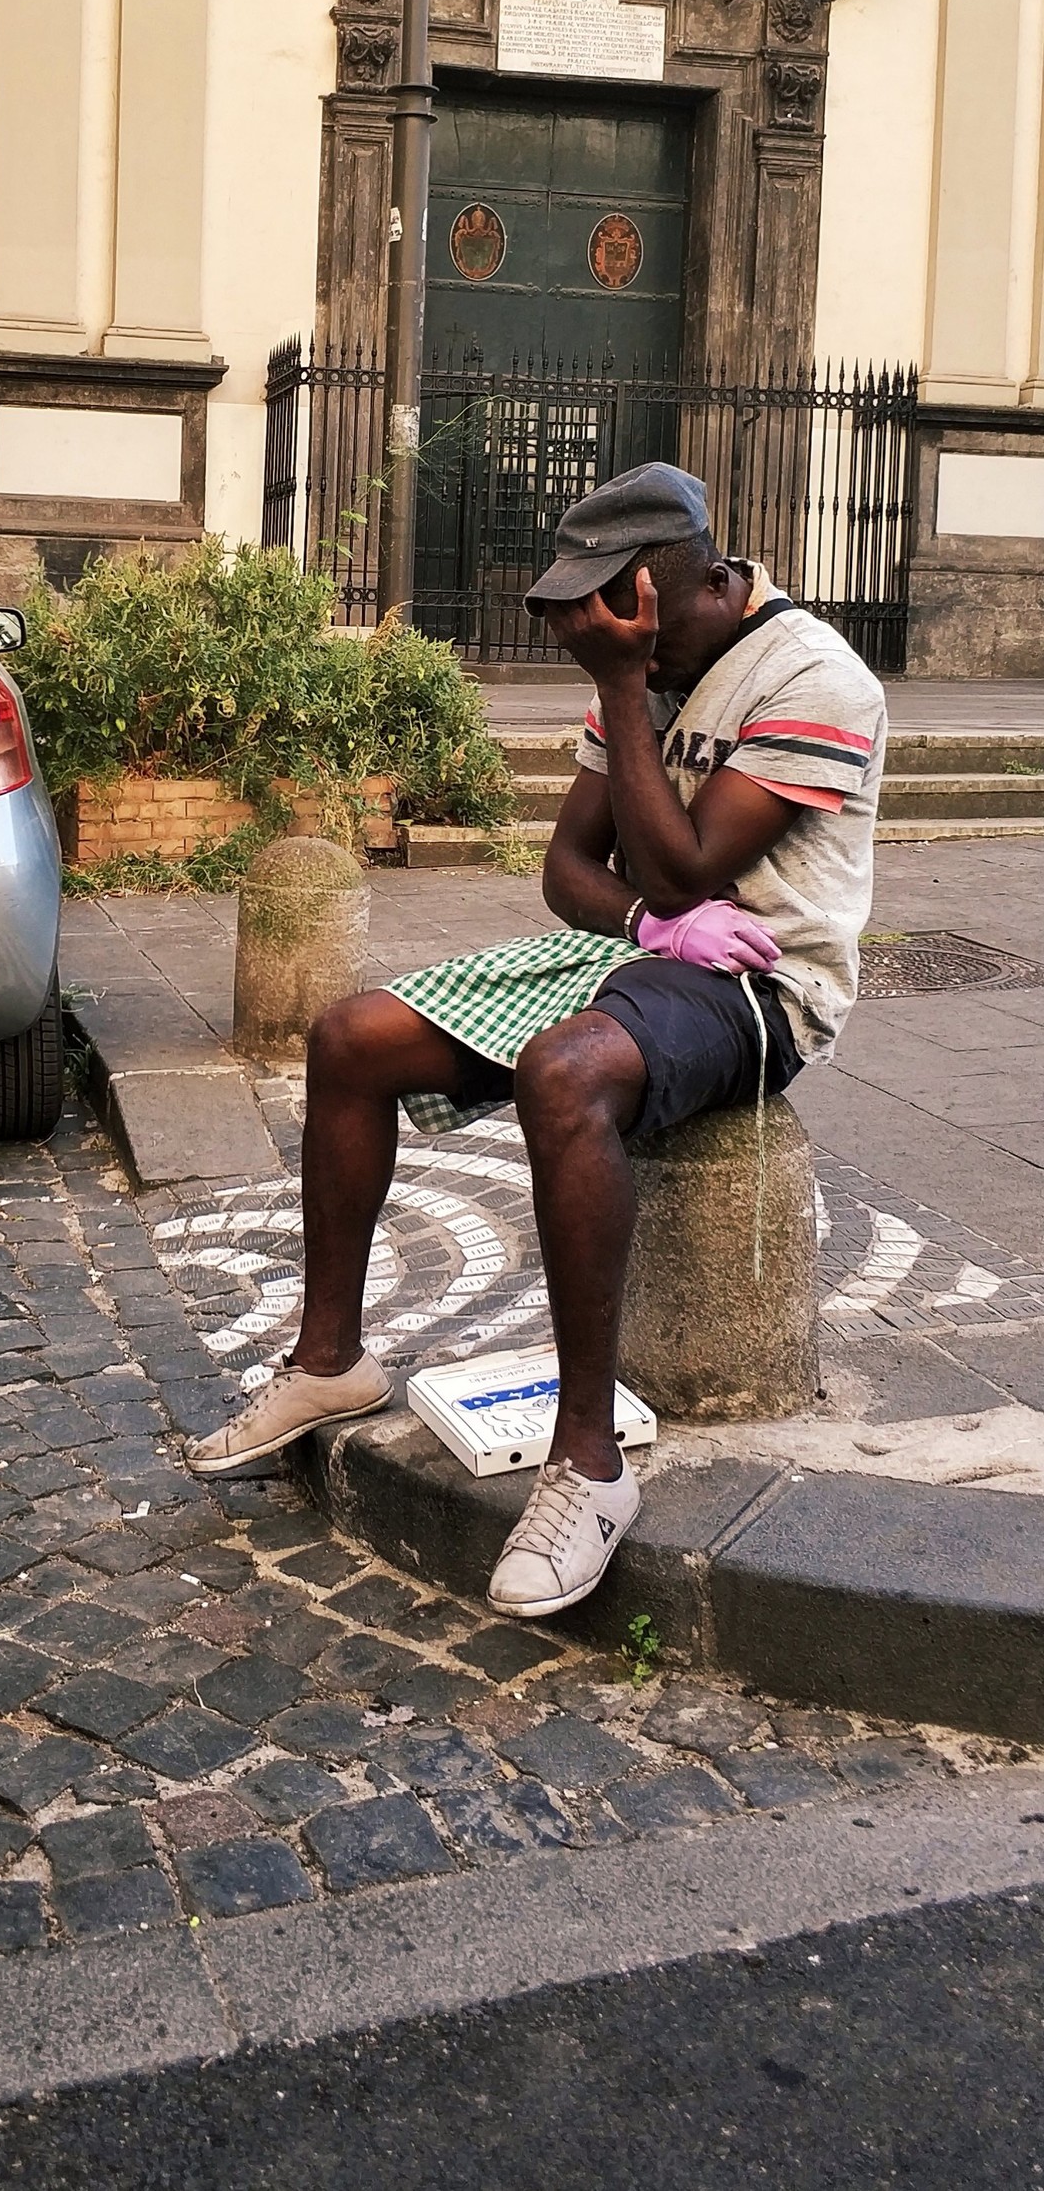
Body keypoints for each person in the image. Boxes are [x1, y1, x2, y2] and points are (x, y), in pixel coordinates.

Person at [189, 463, 887, 1618]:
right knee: (348, 1038)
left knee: (565, 1076)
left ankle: (586, 1464)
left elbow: (681, 863)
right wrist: (643, 915)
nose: (589, 637)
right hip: (641, 950)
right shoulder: (634, 664)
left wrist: (625, 692)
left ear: (671, 587)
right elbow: (575, 872)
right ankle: (329, 1364)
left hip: (765, 984)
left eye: (605, 616)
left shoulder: (812, 677)